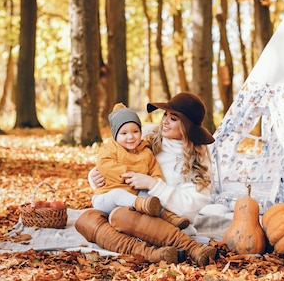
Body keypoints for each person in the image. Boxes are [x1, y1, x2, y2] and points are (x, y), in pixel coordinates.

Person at [76, 92, 218, 266]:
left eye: (173, 118)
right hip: (128, 205)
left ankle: (191, 247)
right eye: (165, 114)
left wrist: (153, 184)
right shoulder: (147, 134)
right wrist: (95, 176)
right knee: (85, 219)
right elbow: (115, 155)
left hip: (165, 221)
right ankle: (153, 254)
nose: (164, 121)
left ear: (187, 126)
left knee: (120, 216)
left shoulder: (198, 157)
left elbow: (191, 205)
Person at [91, 103, 189, 228]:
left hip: (132, 202)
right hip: (107, 197)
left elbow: (155, 172)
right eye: (124, 133)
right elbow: (104, 164)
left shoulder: (146, 152)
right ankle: (150, 211)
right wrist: (130, 174)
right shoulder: (111, 147)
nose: (131, 137)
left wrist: (156, 183)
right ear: (115, 135)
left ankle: (167, 216)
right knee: (118, 194)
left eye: (135, 131)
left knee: (148, 194)